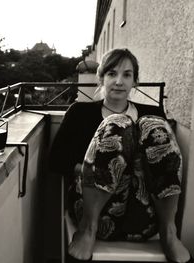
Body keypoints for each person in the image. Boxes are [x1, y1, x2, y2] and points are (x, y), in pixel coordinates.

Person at [49, 48, 192, 263]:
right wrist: (94, 170)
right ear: (101, 78)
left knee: (153, 125)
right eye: (111, 73)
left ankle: (169, 231)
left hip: (145, 217)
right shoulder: (79, 113)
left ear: (135, 81)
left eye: (127, 75)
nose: (118, 81)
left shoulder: (152, 113)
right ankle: (87, 230)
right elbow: (56, 162)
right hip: (96, 214)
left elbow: (166, 164)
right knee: (117, 124)